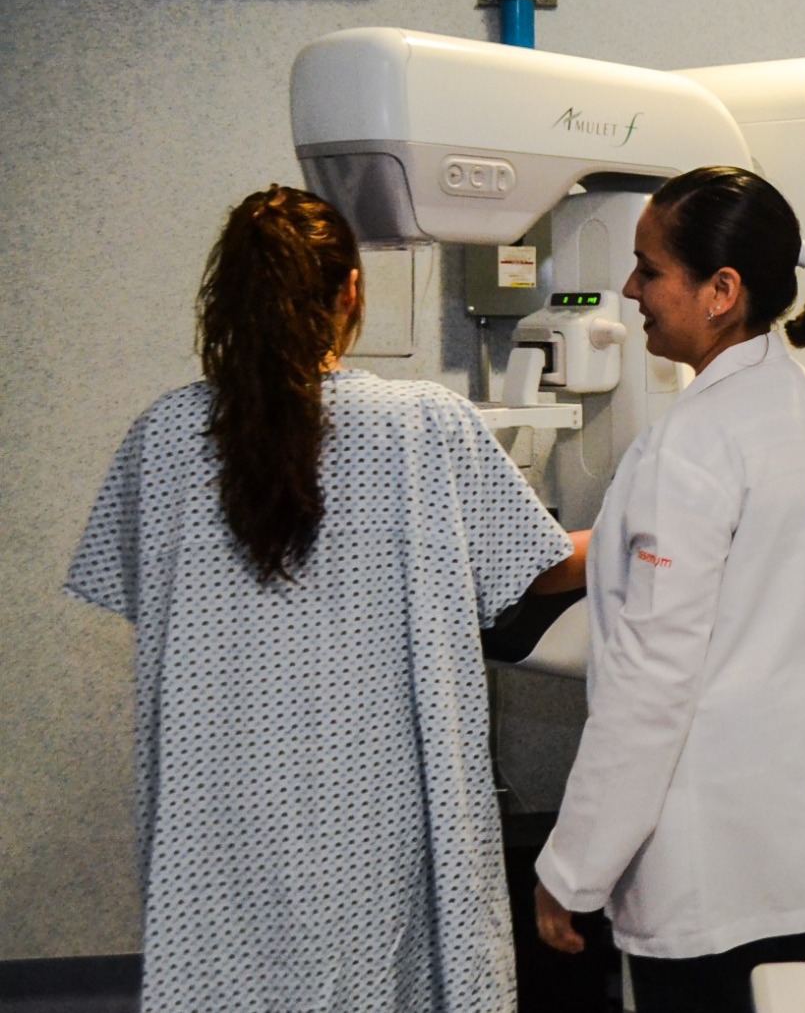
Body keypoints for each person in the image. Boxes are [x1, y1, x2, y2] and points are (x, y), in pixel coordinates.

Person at [63, 185, 575, 1013]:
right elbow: (537, 567)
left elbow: (142, 592)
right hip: (378, 807)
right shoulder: (423, 426)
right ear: (350, 293)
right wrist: (644, 527)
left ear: (229, 301)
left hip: (220, 810)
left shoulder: (162, 438)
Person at [531, 165, 805, 1013]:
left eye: (649, 269)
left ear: (722, 291)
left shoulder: (694, 445)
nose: (629, 289)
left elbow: (651, 684)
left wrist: (572, 867)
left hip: (712, 880)